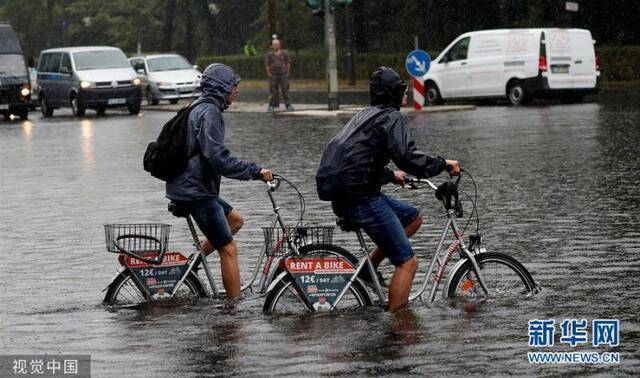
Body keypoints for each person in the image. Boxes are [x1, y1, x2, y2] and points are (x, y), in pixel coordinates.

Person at [315, 67, 460, 312]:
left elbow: (359, 159)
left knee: (413, 218)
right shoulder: (391, 117)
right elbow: (408, 157)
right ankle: (398, 327)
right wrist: (443, 164)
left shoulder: (366, 115)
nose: (406, 96)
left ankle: (366, 272)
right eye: (403, 91)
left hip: (351, 192)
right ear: (393, 93)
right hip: (360, 198)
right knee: (408, 262)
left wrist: (391, 175)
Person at [166, 63, 273, 300]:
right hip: (196, 191)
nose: (237, 90)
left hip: (189, 185)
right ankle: (234, 310)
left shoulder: (199, 106)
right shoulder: (210, 112)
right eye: (234, 86)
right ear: (222, 87)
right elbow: (217, 158)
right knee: (228, 248)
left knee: (235, 220)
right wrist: (255, 171)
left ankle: (190, 268)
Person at [265, 38, 294, 112]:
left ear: (279, 45)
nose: (274, 46)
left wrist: (287, 72)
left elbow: (288, 63)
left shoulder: (284, 53)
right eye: (273, 45)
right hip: (273, 75)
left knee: (285, 90)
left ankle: (288, 105)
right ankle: (271, 106)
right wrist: (269, 74)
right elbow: (267, 64)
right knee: (273, 91)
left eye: (276, 44)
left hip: (283, 74)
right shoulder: (269, 54)